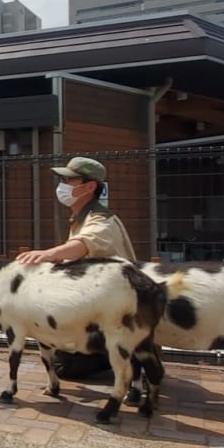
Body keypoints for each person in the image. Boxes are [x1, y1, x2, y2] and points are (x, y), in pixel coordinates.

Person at [15, 156, 136, 378]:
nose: (62, 185)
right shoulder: (81, 217)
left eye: (69, 180)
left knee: (63, 368)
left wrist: (48, 254)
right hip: (102, 305)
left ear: (89, 186)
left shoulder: (101, 218)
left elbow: (84, 244)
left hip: (116, 313)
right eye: (62, 179)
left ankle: (120, 355)